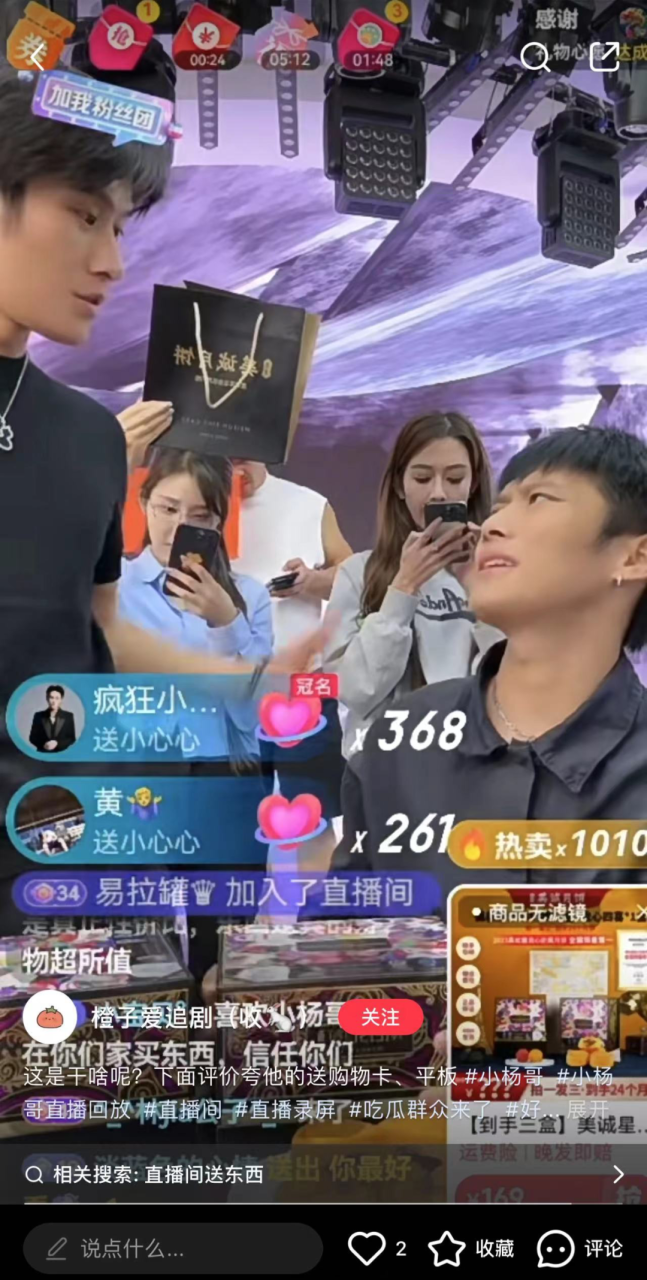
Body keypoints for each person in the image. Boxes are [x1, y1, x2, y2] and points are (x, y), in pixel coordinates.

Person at [0, 63, 327, 934]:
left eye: (118, 226)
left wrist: (249, 676)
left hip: (63, 866)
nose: (111, 261)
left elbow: (98, 629)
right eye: (84, 216)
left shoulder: (89, 438)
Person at [333, 427, 647, 899]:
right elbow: (342, 927)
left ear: (635, 556)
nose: (493, 526)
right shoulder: (397, 740)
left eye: (539, 499)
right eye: (499, 507)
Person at [323, 413, 501, 757]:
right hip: (385, 767)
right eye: (422, 478)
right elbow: (353, 690)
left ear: (473, 484)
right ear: (399, 487)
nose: (438, 493)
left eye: (455, 478)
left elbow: (516, 681)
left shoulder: (496, 571)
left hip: (477, 763)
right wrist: (403, 588)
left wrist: (478, 587)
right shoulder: (359, 573)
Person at [118, 449, 273, 759]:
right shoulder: (114, 585)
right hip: (141, 768)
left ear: (219, 521)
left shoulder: (251, 596)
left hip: (225, 771)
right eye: (168, 508)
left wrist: (227, 624)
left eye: (200, 516)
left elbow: (250, 715)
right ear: (144, 502)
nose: (180, 527)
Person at [231, 459, 352, 648]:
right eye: (227, 460)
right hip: (208, 660)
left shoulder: (309, 504)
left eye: (243, 459)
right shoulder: (193, 506)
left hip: (293, 660)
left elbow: (354, 577)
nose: (236, 470)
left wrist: (312, 581)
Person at [28, 685, 76, 754]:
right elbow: (32, 738)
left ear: (61, 700)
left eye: (57, 698)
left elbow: (71, 739)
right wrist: (44, 744)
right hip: (43, 754)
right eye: (51, 697)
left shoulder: (68, 716)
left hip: (62, 755)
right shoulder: (38, 716)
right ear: (47, 698)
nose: (54, 701)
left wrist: (57, 744)